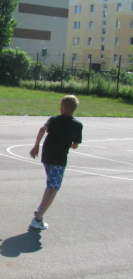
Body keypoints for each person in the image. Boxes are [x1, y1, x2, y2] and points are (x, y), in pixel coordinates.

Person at [29, 95, 83, 230]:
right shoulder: (77, 125)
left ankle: (40, 209)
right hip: (59, 159)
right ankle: (38, 219)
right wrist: (70, 144)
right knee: (54, 188)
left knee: (51, 184)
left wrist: (36, 146)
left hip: (46, 156)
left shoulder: (53, 119)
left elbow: (42, 129)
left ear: (63, 108)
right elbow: (75, 145)